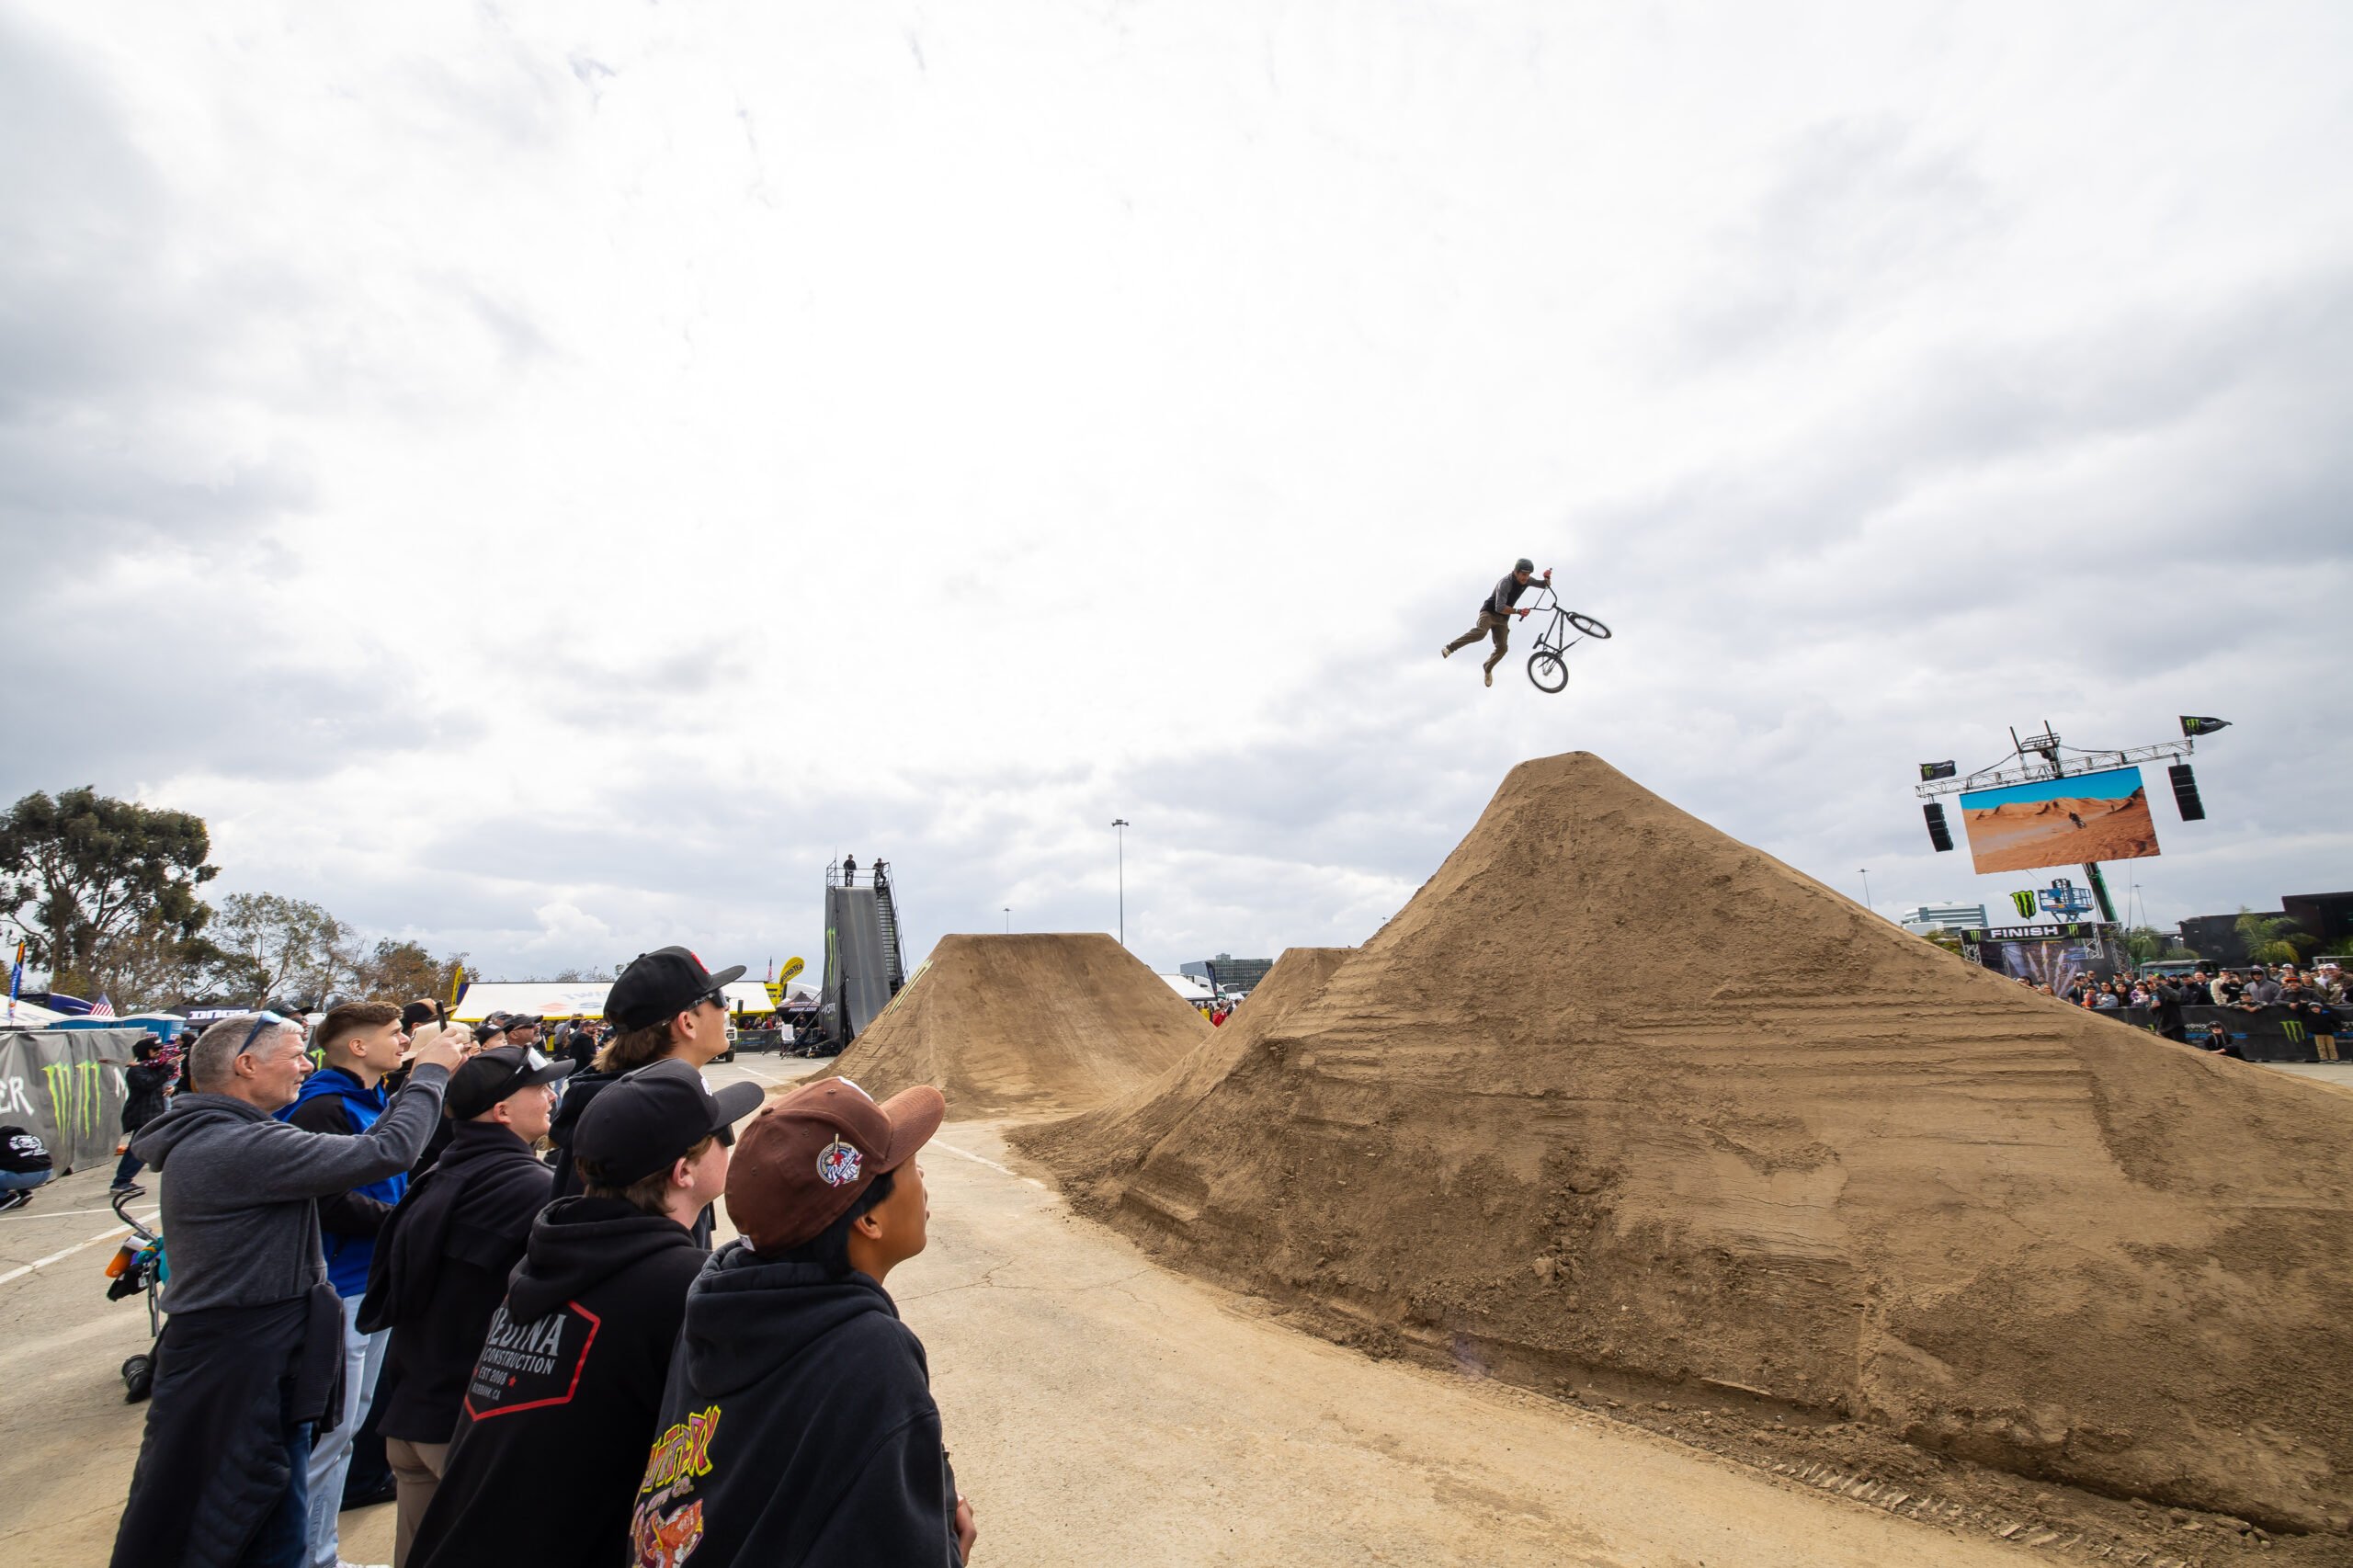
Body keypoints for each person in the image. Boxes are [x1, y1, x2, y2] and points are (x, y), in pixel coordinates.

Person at [110, 1012, 461, 1568]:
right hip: (239, 1358)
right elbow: (385, 1153)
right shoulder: (233, 1145)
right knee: (233, 1506)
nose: (307, 1065)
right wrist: (431, 1074)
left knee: (253, 1501)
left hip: (247, 1350)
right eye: (296, 1053)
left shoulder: (236, 1135)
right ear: (247, 1066)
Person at [408, 1060, 760, 1568]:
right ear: (683, 1171)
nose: (731, 1144)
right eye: (720, 1135)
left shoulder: (547, 1262)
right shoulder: (681, 1284)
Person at [631, 1075, 976, 1567]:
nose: (924, 1182)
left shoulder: (716, 1307)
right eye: (913, 1167)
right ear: (869, 1221)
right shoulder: (870, 1351)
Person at [360, 1044, 573, 1568]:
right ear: (501, 1111)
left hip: (411, 1415)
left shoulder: (438, 1176)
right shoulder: (529, 1188)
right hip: (466, 1427)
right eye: (539, 1086)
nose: (551, 1094)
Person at [278, 1001, 413, 1568]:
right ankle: (301, 1554)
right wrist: (405, 1223)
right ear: (357, 1046)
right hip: (342, 1287)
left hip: (370, 1283)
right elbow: (329, 1202)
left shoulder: (371, 1099)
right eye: (393, 1033)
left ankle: (318, 1551)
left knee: (347, 1431)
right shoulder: (325, 1108)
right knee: (327, 1435)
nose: (404, 1040)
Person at [547, 947, 745, 1225]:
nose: (725, 1008)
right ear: (687, 1022)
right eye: (718, 998)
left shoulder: (625, 1109)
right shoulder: (633, 1124)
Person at [1441, 559, 1552, 688]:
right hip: (1489, 613)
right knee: (1481, 633)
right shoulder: (1505, 583)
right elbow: (1499, 607)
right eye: (1523, 574)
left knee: (1503, 648)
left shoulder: (1527, 580)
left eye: (1527, 575)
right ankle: (1450, 648)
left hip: (1503, 619)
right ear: (1515, 572)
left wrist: (1547, 578)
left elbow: (1545, 585)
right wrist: (1519, 611)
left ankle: (1487, 668)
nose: (1525, 578)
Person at [111, 1037, 176, 1196]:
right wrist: (166, 1071)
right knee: (139, 1148)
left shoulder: (150, 1067)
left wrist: (167, 1089)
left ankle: (124, 1180)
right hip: (142, 1113)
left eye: (161, 1049)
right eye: (155, 1050)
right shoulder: (136, 1070)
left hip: (153, 1112)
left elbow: (154, 1084)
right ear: (145, 1052)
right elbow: (147, 1084)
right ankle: (121, 1181)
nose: (159, 1052)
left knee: (143, 1148)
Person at [0, 1122, 55, 1211]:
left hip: (27, 1176)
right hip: (47, 1172)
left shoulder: (2, 1140)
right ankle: (23, 1192)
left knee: (13, 1167)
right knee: (19, 1162)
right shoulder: (31, 1137)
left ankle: (3, 1199)